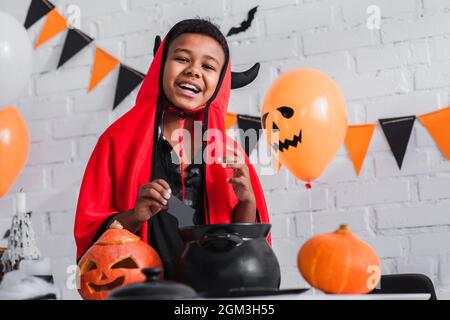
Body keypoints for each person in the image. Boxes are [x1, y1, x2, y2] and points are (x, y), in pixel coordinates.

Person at [74, 19, 271, 280]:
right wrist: (134, 216)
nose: (194, 71)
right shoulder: (116, 142)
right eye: (182, 59)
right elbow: (92, 246)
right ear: (161, 66)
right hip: (142, 293)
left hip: (211, 294)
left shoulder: (231, 154)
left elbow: (246, 251)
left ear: (220, 81)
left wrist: (247, 201)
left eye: (208, 66)